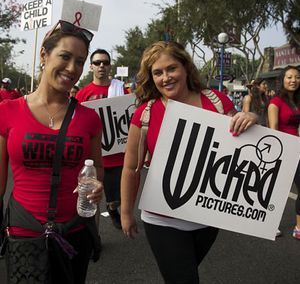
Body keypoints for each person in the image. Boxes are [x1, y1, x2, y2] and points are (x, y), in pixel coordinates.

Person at [121, 41, 258, 284]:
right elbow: (131, 168)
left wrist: (250, 117)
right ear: (151, 78)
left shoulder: (216, 101)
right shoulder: (145, 113)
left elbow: (241, 141)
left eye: (171, 68)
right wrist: (126, 213)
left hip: (208, 217)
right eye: (157, 73)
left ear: (185, 68)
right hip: (162, 219)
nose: (166, 77)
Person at [0, 20, 104, 283]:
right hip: (24, 231)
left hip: (75, 231)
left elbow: (97, 167)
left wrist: (96, 186)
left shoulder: (89, 118)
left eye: (80, 62)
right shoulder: (7, 112)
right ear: (44, 55)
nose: (72, 68)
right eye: (65, 57)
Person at [76, 49, 128, 230]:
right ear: (91, 66)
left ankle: (113, 210)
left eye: (105, 62)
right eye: (97, 62)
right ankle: (93, 239)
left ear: (110, 66)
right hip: (93, 158)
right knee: (91, 200)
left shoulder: (122, 90)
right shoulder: (82, 94)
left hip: (116, 156)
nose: (101, 66)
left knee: (116, 197)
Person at [268, 65, 300, 240]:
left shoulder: (298, 101)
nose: (293, 80)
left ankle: (298, 227)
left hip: (298, 149)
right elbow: (273, 130)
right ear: (282, 80)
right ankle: (270, 224)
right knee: (276, 190)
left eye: (297, 77)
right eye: (289, 77)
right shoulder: (275, 102)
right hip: (282, 150)